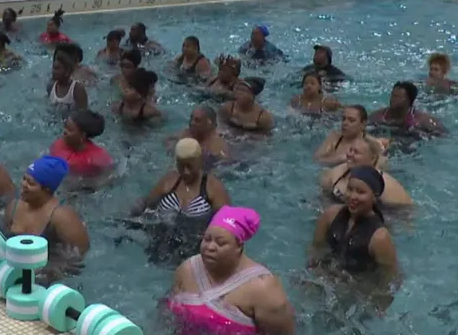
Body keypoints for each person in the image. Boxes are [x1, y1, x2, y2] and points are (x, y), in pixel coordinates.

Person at [168, 206, 296, 335]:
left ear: (239, 246)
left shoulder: (263, 290)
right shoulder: (187, 269)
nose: (210, 247)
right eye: (207, 239)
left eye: (221, 243)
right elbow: (168, 315)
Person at [129, 139, 231, 264]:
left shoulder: (213, 188)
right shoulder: (169, 181)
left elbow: (228, 225)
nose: (186, 171)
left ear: (199, 162)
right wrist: (137, 207)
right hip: (161, 239)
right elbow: (147, 205)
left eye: (190, 166)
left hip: (195, 245)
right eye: (181, 166)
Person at [5, 156, 90, 281]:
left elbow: (79, 256)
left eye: (31, 183)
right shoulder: (14, 207)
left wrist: (50, 274)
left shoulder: (62, 217)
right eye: (24, 179)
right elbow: (2, 242)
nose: (23, 185)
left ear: (47, 189)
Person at [311, 165, 400, 283]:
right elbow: (315, 247)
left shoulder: (379, 238)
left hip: (356, 289)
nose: (353, 196)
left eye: (360, 192)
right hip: (326, 277)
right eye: (350, 189)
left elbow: (390, 280)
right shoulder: (331, 215)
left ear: (374, 197)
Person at [320, 137, 412, 207]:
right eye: (350, 150)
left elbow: (405, 215)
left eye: (356, 152)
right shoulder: (336, 174)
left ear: (372, 158)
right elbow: (322, 197)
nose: (349, 155)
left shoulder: (388, 187)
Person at [314, 105, 389, 166]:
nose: (345, 123)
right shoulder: (334, 138)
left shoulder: (371, 144)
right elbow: (316, 161)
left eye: (351, 120)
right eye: (343, 119)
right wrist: (339, 159)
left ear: (363, 124)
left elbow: (383, 167)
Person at [48, 109, 115, 177]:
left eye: (70, 130)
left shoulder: (95, 159)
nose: (64, 131)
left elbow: (110, 174)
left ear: (83, 135)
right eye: (65, 127)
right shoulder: (59, 144)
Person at [370, 81, 445, 136]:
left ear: (409, 101)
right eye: (392, 95)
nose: (393, 99)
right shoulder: (378, 117)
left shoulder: (422, 120)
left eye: (398, 97)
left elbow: (443, 135)